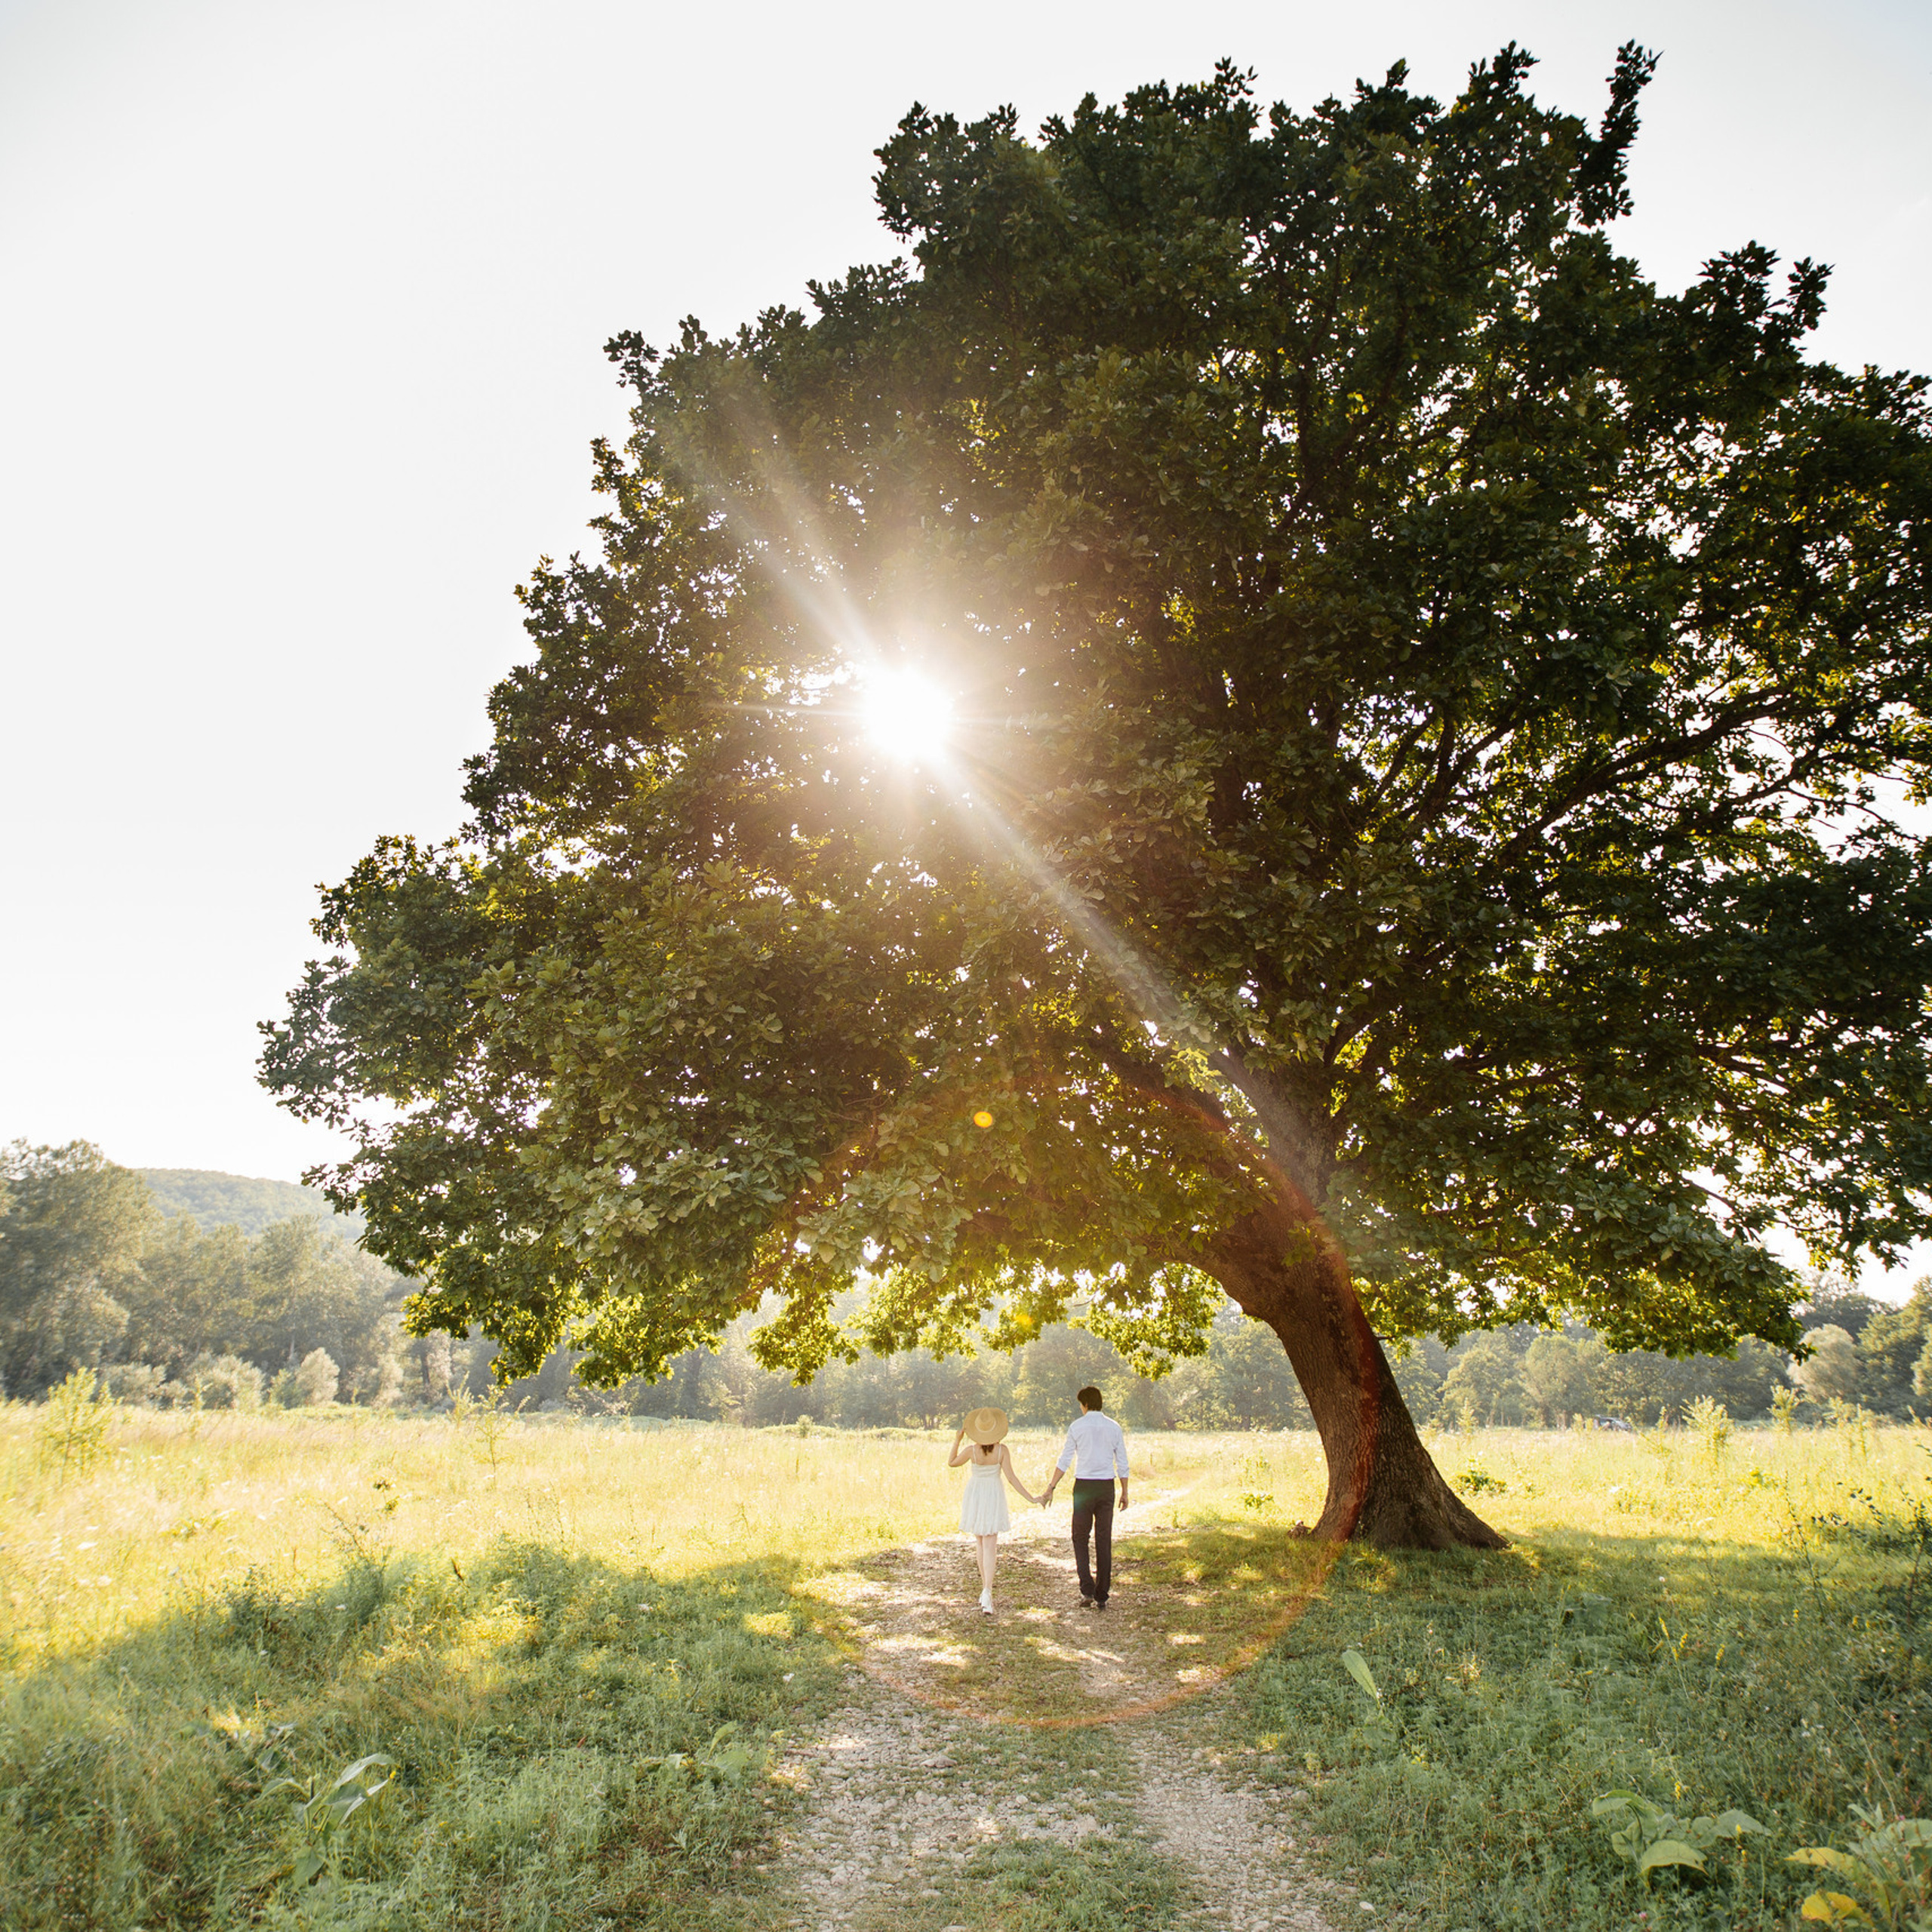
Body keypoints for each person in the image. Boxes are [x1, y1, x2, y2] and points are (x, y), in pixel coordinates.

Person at [1041, 1385, 1129, 1610]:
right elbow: (1122, 1463)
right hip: (1107, 1488)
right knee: (1103, 1539)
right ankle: (1102, 1594)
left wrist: (1051, 1486)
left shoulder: (1077, 1427)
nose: (1080, 1408)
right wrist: (1125, 1491)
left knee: (1080, 1537)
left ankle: (1086, 1588)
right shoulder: (1114, 1427)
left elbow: (1065, 1460)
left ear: (1086, 1404)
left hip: (1084, 1487)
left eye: (1081, 1404)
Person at [949, 1406, 1039, 1617]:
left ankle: (985, 1591)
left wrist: (957, 1440)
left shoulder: (972, 1450)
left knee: (981, 1542)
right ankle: (987, 1591)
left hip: (977, 1493)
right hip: (992, 1493)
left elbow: (952, 1462)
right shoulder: (1002, 1451)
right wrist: (1031, 1498)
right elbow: (1011, 1478)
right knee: (989, 1544)